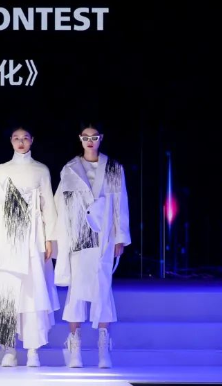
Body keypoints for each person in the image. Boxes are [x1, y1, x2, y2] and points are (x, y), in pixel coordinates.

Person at [0, 126, 59, 367]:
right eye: (16, 138)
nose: (21, 142)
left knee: (33, 291)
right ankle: (9, 349)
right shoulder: (2, 171)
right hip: (7, 239)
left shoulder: (41, 170)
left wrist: (49, 238)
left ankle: (33, 349)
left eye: (25, 138)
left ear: (32, 140)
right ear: (11, 141)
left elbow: (48, 206)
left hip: (33, 239)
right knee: (7, 291)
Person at [54, 123, 131, 368]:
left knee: (102, 288)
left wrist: (120, 236)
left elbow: (120, 203)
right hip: (78, 236)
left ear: (101, 138)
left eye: (94, 137)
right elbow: (60, 205)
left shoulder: (113, 168)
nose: (90, 141)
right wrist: (58, 238)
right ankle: (75, 346)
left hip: (103, 235)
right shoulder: (70, 168)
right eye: (85, 137)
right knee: (76, 289)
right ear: (80, 139)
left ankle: (103, 347)